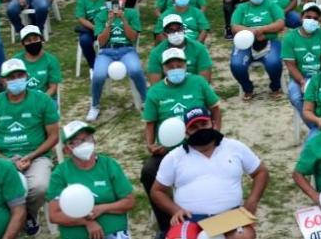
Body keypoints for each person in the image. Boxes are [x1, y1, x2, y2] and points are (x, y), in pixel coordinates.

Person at [152, 107, 268, 239]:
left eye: (204, 124)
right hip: (191, 219)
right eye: (194, 127)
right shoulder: (174, 157)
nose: (201, 129)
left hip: (230, 216)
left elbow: (261, 172)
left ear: (213, 123)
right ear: (186, 132)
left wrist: (252, 201)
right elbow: (157, 191)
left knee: (244, 235)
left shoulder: (234, 147)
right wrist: (175, 210)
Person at [142, 48, 222, 234]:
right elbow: (150, 123)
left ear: (186, 65)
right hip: (168, 149)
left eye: (179, 65)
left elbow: (215, 108)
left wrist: (216, 131)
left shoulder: (198, 82)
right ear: (164, 68)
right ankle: (166, 224)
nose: (176, 68)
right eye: (171, 66)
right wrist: (151, 144)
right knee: (149, 171)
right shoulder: (155, 91)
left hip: (201, 142)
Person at [0, 59, 60, 235]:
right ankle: (4, 216)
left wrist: (31, 156)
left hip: (36, 155)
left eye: (20, 75)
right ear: (2, 81)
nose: (16, 80)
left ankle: (27, 213)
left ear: (27, 76)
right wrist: (6, 161)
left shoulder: (42, 100)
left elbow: (54, 136)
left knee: (40, 187)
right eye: (11, 77)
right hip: (1, 157)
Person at [47, 120, 136, 239]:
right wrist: (86, 222)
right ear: (67, 150)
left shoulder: (109, 165)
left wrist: (102, 208)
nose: (85, 144)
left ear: (94, 141)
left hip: (113, 230)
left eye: (88, 138)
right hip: (76, 234)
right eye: (78, 141)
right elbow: (54, 215)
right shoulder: (60, 173)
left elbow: (129, 201)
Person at [86, 0, 145, 122]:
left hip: (127, 49)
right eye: (108, 0)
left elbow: (133, 38)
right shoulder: (100, 16)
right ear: (104, 2)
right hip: (106, 51)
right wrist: (109, 22)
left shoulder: (131, 13)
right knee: (98, 75)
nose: (112, 2)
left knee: (136, 70)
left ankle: (146, 101)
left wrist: (123, 19)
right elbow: (100, 42)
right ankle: (94, 106)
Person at [229, 0, 285, 101]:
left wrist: (263, 30)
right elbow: (234, 27)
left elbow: (280, 24)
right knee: (236, 64)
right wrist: (253, 32)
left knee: (274, 63)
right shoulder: (242, 8)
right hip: (245, 43)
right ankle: (247, 88)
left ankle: (275, 87)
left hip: (269, 41)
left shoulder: (272, 5)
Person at [13, 25, 61, 98]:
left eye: (35, 39)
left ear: (41, 40)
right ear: (23, 44)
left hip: (46, 100)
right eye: (28, 40)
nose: (33, 42)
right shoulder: (16, 61)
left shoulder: (51, 60)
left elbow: (53, 88)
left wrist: (39, 102)